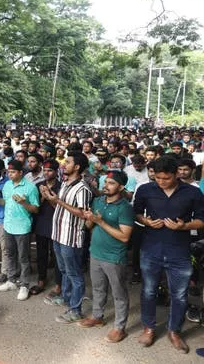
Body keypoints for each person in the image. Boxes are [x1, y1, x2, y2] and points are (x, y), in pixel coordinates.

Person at [133, 156, 204, 354]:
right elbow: (136, 213)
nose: (161, 182)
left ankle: (174, 331)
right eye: (158, 178)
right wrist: (146, 221)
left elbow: (201, 220)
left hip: (179, 251)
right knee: (148, 291)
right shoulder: (146, 189)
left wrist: (185, 226)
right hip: (151, 248)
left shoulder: (192, 192)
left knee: (179, 294)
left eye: (166, 178)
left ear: (176, 174)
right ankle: (149, 328)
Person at [78, 170, 134, 344]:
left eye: (111, 183)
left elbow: (125, 236)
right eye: (106, 182)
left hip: (114, 257)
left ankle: (119, 327)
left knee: (119, 294)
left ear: (121, 187)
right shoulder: (98, 201)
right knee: (98, 288)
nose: (106, 186)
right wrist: (89, 219)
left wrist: (100, 221)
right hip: (95, 252)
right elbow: (89, 226)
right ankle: (97, 316)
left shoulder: (125, 208)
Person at [40, 152, 93, 323]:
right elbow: (59, 207)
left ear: (77, 167)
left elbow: (83, 213)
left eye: (68, 162)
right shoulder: (65, 183)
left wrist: (60, 201)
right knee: (63, 270)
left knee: (74, 274)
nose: (64, 165)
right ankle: (66, 298)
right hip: (58, 234)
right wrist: (49, 197)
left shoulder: (83, 188)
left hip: (71, 238)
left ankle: (76, 310)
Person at [0, 159, 39, 301]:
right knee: (10, 254)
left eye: (13, 172)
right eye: (9, 172)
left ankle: (24, 285)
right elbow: (5, 202)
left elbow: (36, 209)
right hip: (8, 225)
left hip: (22, 227)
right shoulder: (7, 185)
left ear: (20, 172)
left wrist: (23, 202)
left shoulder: (30, 188)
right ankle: (11, 281)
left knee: (23, 257)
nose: (10, 174)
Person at [32, 159, 62, 297]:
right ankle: (41, 280)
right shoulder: (38, 185)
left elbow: (60, 208)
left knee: (56, 256)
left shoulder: (61, 187)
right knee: (41, 254)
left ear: (56, 172)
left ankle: (58, 284)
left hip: (56, 224)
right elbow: (35, 208)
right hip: (41, 224)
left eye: (50, 170)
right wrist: (43, 197)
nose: (46, 173)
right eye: (45, 170)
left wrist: (49, 196)